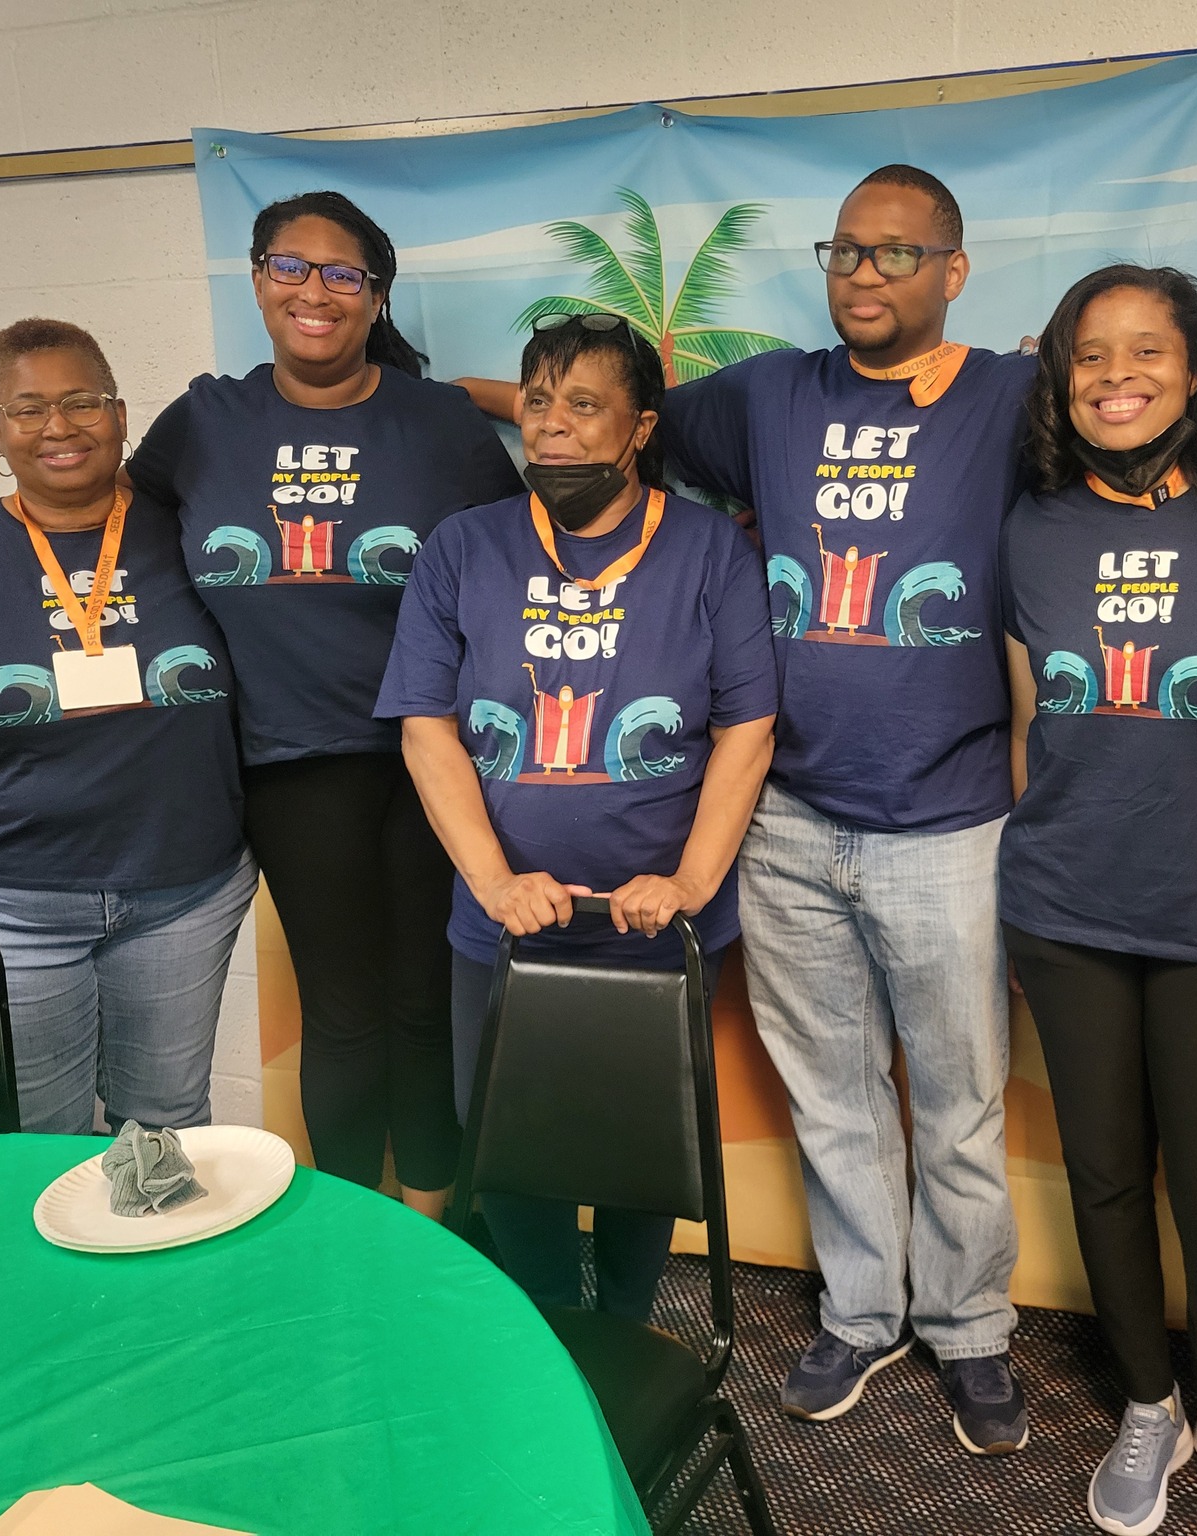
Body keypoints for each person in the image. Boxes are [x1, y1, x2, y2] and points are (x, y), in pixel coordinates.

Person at [455, 165, 1197, 1456]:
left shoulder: (1013, 393)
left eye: (896, 252)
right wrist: (455, 397)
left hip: (950, 823)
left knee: (960, 1100)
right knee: (830, 1096)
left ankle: (969, 1327)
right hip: (786, 820)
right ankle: (862, 1313)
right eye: (846, 250)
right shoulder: (766, 395)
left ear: (953, 270)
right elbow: (600, 410)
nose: (864, 272)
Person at [0, 193, 525, 1212]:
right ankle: (349, 1238)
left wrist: (503, 398)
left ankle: (436, 1228)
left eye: (341, 272)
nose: (313, 289)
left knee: (425, 1006)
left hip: (434, 752)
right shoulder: (209, 420)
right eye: (289, 265)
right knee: (344, 1014)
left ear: (375, 292)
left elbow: (516, 552)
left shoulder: (437, 422)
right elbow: (85, 501)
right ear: (257, 279)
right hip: (291, 762)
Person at [379, 314, 776, 1321]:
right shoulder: (462, 548)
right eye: (539, 402)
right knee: (509, 1141)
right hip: (503, 928)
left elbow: (748, 727)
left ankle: (627, 1322)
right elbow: (426, 729)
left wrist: (688, 883)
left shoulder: (708, 551)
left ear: (641, 428)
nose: (552, 425)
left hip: (659, 929)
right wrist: (492, 883)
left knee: (644, 1144)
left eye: (585, 404)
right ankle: (550, 1319)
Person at [1001, 266, 1197, 1535]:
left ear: (1194, 371)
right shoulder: (1029, 522)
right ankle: (1146, 1405)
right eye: (1089, 355)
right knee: (1105, 1178)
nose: (1116, 376)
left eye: (1146, 351)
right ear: (1058, 380)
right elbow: (1023, 712)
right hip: (1065, 907)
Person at [0, 320, 254, 1134]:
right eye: (27, 409)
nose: (59, 427)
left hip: (184, 893)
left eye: (82, 402)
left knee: (167, 1125)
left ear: (120, 413)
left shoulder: (195, 533)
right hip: (6, 906)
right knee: (36, 1137)